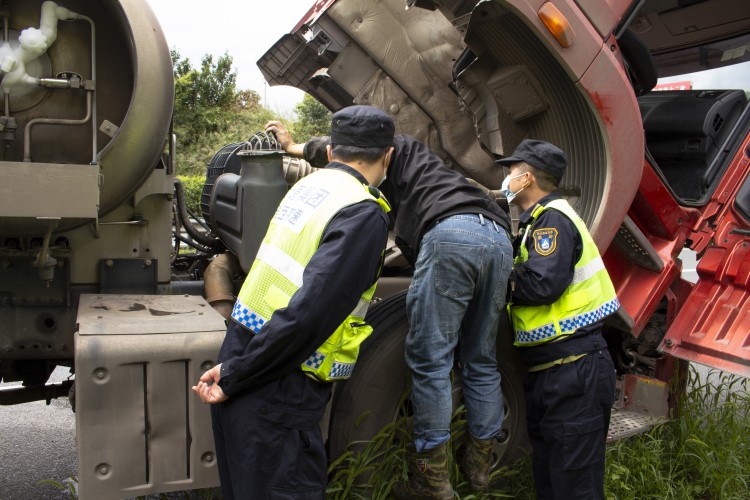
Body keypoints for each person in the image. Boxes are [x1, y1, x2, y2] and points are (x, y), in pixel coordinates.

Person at [266, 119, 514, 498]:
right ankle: (479, 470)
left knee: (431, 361)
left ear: (385, 152)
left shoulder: (391, 148)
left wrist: (293, 146)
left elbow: (341, 148)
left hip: (450, 232)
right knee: (481, 359)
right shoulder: (430, 171)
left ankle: (432, 481)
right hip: (498, 238)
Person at [192, 105, 394, 499]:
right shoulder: (362, 213)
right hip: (281, 384)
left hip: (245, 356)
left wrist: (233, 369)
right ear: (388, 155)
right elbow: (308, 316)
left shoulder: (308, 189)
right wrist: (237, 375)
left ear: (332, 151)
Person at [498, 139, 618, 499]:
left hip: (574, 372)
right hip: (555, 371)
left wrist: (492, 276)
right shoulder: (538, 221)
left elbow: (541, 285)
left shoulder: (553, 220)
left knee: (574, 486)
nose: (506, 177)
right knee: (552, 479)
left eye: (511, 170)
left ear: (527, 177)